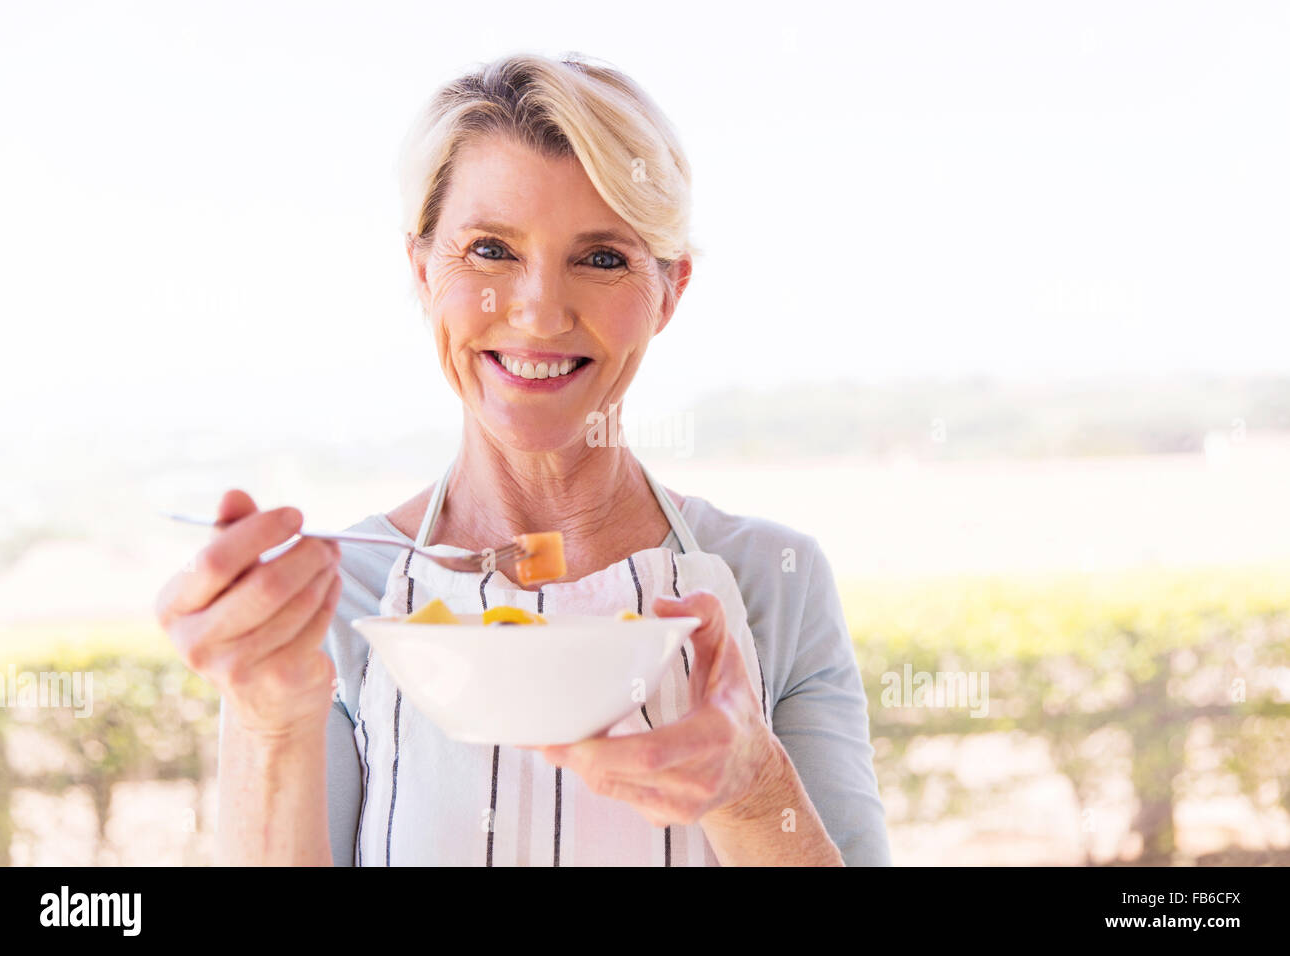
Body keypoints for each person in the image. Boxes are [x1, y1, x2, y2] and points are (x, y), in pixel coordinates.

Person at [155, 52, 891, 866]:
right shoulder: (335, 603)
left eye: (602, 257)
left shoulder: (773, 580)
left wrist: (755, 792)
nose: (538, 313)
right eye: (490, 251)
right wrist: (270, 721)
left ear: (670, 290)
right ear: (423, 269)